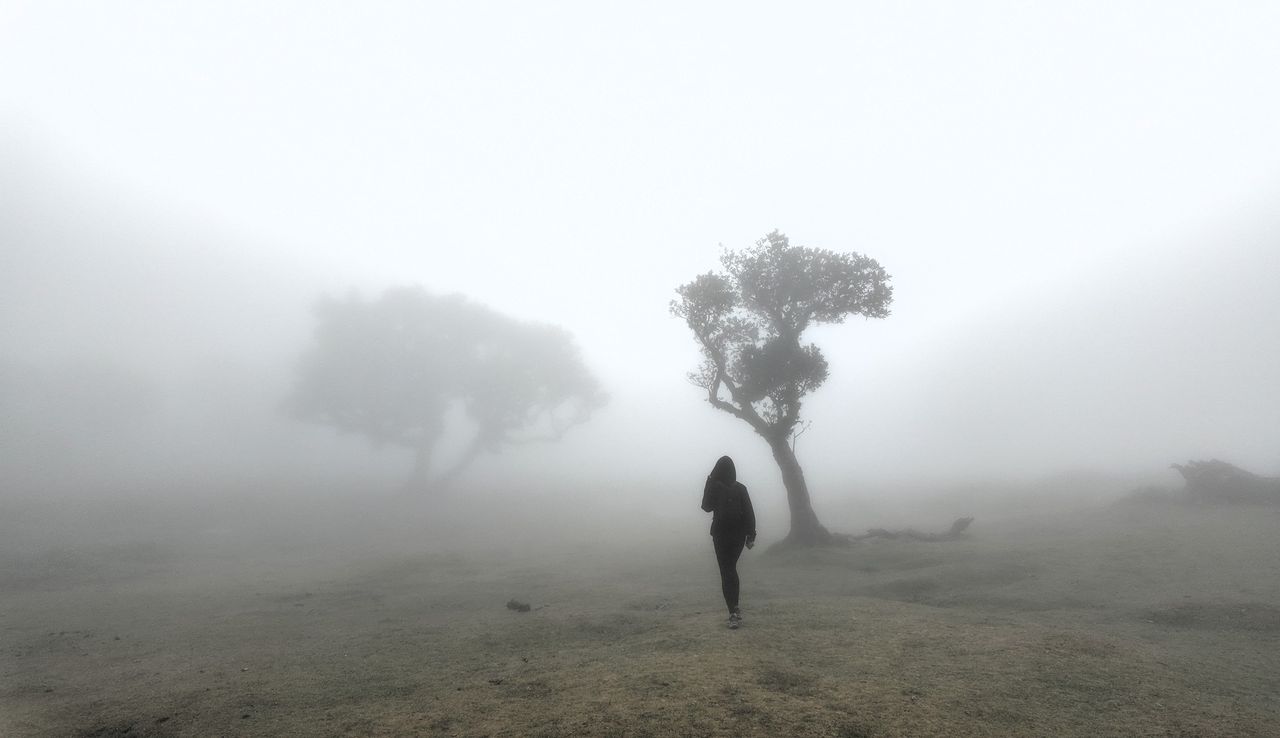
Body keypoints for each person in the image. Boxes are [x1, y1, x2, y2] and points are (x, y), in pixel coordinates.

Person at [700, 455, 756, 629]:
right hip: (738, 535)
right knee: (730, 569)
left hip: (720, 535)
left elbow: (705, 506)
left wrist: (709, 482)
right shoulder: (741, 488)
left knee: (727, 570)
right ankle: (735, 608)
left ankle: (732, 612)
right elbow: (749, 512)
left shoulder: (715, 487)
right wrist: (751, 535)